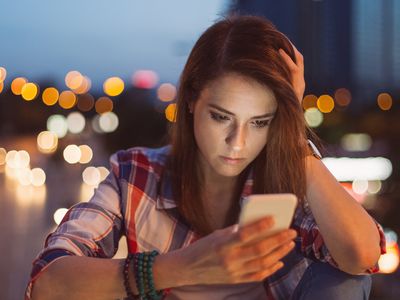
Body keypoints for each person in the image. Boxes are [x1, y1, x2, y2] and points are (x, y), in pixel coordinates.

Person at [26, 15, 386, 300]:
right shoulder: (137, 174)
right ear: (191, 102)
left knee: (344, 278)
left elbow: (363, 258)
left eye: (260, 122)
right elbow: (47, 284)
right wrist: (181, 267)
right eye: (220, 117)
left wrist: (293, 137)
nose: (238, 143)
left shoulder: (284, 187)